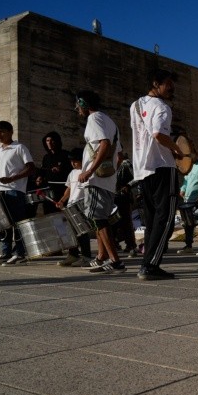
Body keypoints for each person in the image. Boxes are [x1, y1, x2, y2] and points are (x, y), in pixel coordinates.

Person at [130, 69, 184, 280]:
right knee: (167, 218)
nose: (172, 88)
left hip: (143, 169)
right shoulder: (162, 107)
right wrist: (178, 150)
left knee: (152, 221)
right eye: (168, 83)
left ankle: (147, 263)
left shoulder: (135, 105)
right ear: (156, 83)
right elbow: (159, 134)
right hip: (162, 166)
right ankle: (150, 266)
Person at [75, 90, 126, 274]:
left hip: (96, 180)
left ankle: (116, 261)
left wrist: (89, 171)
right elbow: (119, 156)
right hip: (107, 180)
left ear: (83, 104)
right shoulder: (110, 121)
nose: (76, 109)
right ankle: (101, 257)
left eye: (77, 104)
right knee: (99, 218)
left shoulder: (94, 119)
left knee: (99, 219)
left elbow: (104, 143)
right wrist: (110, 173)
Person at [0, 121, 36, 266]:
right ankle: (6, 252)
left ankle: (20, 253)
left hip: (15, 190)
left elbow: (31, 168)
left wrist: (12, 179)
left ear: (10, 132)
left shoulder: (20, 147)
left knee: (17, 222)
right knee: (3, 224)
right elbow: (2, 169)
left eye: (1, 131)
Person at [55, 148, 92, 267]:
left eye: (75, 161)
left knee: (82, 232)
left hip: (82, 206)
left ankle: (86, 256)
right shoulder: (72, 173)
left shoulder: (88, 171)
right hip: (71, 205)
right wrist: (62, 200)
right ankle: (73, 255)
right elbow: (69, 189)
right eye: (71, 161)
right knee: (71, 232)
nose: (73, 163)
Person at [38, 131, 71, 215]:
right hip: (49, 191)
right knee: (49, 213)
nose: (50, 143)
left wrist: (61, 168)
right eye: (47, 141)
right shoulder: (46, 157)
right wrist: (40, 177)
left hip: (62, 190)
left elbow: (72, 169)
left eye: (52, 140)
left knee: (63, 213)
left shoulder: (65, 154)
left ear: (57, 141)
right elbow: (43, 171)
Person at [176, 157, 198, 254]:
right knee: (188, 224)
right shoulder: (188, 166)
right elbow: (186, 180)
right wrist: (183, 189)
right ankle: (188, 246)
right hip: (187, 200)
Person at [113, 152, 138, 258]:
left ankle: (131, 246)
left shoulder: (126, 164)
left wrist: (128, 186)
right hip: (113, 197)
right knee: (113, 223)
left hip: (123, 197)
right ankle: (115, 243)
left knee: (126, 222)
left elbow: (136, 177)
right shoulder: (111, 164)